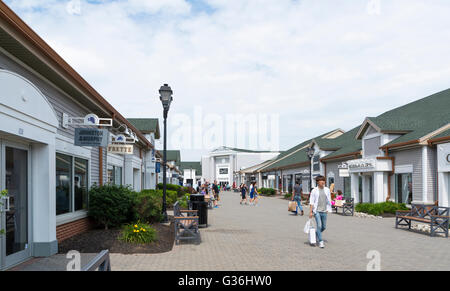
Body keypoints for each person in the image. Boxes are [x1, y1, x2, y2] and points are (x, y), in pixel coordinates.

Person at [309, 175, 332, 249]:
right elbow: (311, 202)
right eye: (321, 181)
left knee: (324, 227)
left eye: (324, 180)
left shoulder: (327, 190)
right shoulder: (314, 190)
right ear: (317, 182)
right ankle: (321, 241)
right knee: (319, 225)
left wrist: (329, 208)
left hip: (324, 211)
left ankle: (316, 234)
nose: (323, 182)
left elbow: (328, 200)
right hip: (317, 211)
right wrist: (311, 212)